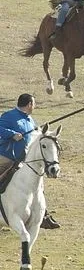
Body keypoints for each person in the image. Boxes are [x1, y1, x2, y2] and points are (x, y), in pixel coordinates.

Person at [0, 94, 59, 229]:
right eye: (34, 104)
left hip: (23, 160)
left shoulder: (30, 120)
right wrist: (12, 134)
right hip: (6, 157)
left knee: (36, 183)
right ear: (29, 105)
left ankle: (43, 215)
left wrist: (49, 134)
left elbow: (38, 134)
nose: (34, 106)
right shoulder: (9, 116)